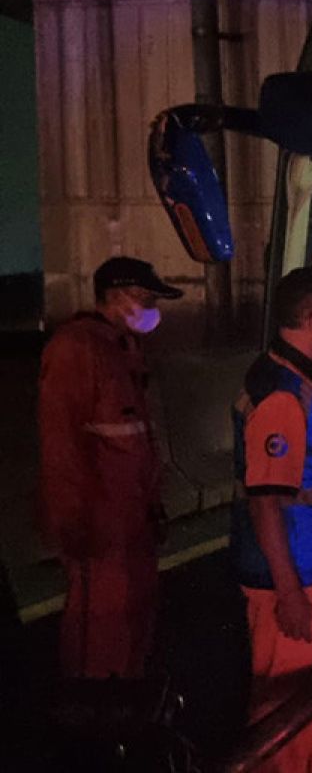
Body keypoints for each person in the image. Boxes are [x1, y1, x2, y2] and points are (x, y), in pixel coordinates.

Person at [230, 267, 312, 773]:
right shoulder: (283, 397)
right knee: (284, 697)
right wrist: (288, 592)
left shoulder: (308, 380)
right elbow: (266, 502)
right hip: (292, 577)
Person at [38, 256, 182, 681]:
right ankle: (91, 716)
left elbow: (137, 438)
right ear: (116, 296)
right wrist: (72, 523)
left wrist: (153, 507)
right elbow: (60, 442)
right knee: (98, 626)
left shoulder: (122, 347)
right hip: (99, 524)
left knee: (134, 616)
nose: (152, 307)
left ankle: (125, 706)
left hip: (132, 519)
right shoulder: (75, 348)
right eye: (146, 298)